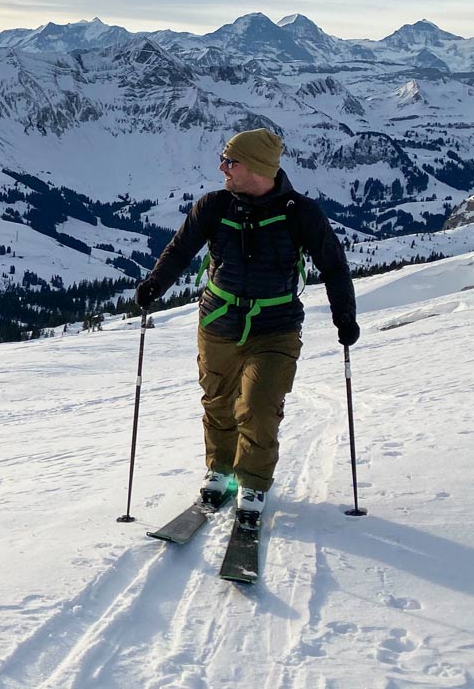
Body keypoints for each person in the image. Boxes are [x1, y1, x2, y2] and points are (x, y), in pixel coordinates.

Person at [134, 128, 358, 529]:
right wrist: (155, 284)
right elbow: (181, 249)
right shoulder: (214, 206)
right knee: (218, 402)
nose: (222, 167)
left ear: (255, 166)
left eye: (230, 161)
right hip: (218, 320)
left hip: (276, 327)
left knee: (258, 406)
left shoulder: (299, 212)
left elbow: (334, 265)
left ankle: (252, 484)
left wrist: (345, 317)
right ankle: (219, 470)